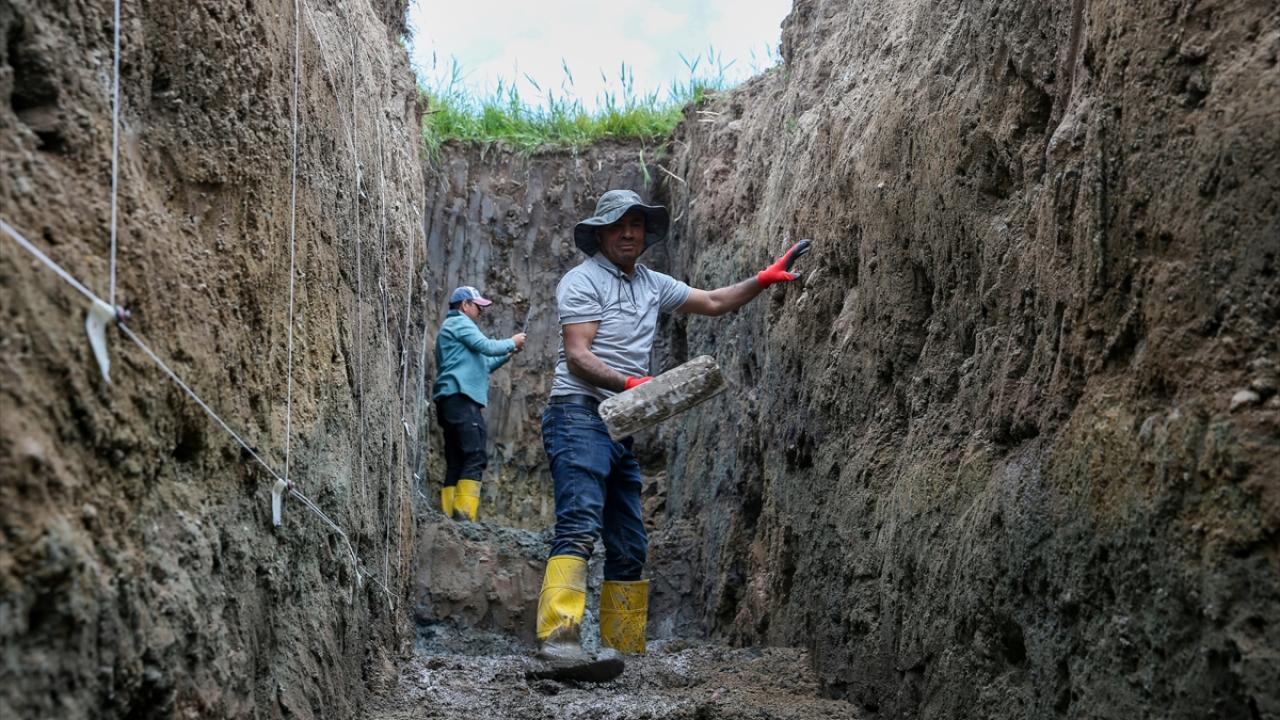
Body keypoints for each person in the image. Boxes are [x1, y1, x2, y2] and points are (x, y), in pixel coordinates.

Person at [532, 189, 810, 679]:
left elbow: (714, 300)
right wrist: (632, 383)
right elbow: (578, 355)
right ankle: (559, 643)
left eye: (636, 224)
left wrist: (763, 280)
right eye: (618, 225)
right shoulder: (582, 281)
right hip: (577, 415)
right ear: (600, 233)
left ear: (645, 233)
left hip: (621, 423)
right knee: (579, 526)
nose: (628, 233)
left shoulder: (652, 283)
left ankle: (623, 650)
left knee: (630, 544)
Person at [431, 286, 526, 522]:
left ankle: (449, 520)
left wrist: (509, 352)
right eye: (478, 306)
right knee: (475, 455)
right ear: (465, 305)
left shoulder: (452, 331)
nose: (481, 312)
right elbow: (487, 346)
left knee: (457, 459)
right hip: (462, 399)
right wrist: (511, 341)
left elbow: (484, 364)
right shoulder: (460, 323)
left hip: (450, 401)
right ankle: (464, 518)